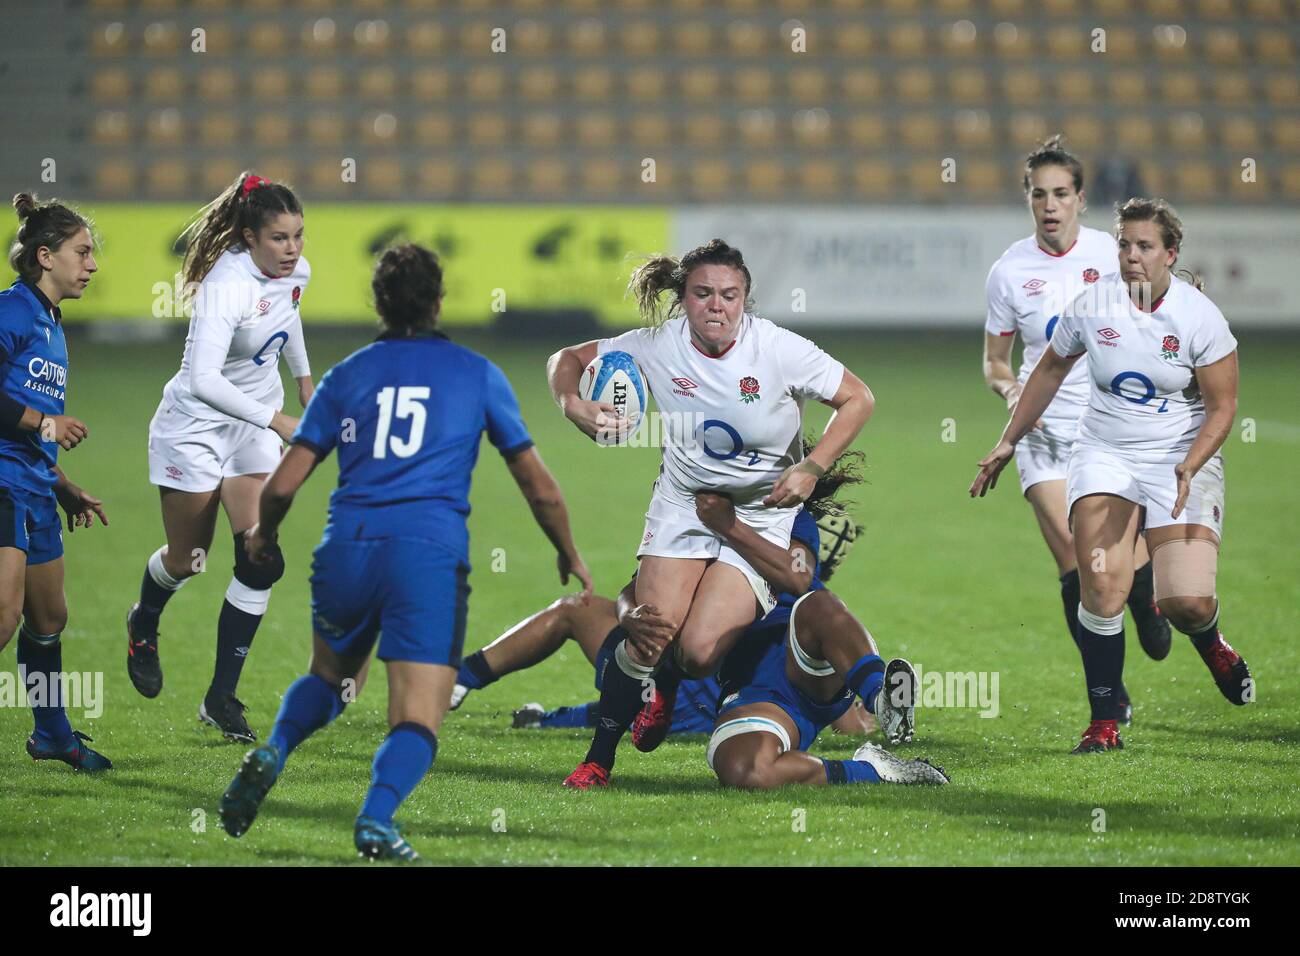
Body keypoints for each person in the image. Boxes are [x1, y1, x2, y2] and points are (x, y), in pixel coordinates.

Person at [219, 244, 591, 861]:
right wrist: (567, 552)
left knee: (329, 678)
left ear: (379, 305)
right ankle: (376, 818)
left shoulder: (347, 375)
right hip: (427, 556)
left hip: (348, 549)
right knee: (417, 716)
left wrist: (263, 535)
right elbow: (537, 484)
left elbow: (284, 482)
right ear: (440, 302)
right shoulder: (477, 374)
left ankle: (275, 749)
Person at [547, 239, 872, 787]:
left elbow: (859, 397)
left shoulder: (779, 349)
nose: (716, 306)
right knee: (648, 632)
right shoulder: (656, 345)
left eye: (729, 295)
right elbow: (568, 359)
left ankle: (669, 681)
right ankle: (598, 760)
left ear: (745, 299)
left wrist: (812, 467)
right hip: (685, 502)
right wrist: (573, 405)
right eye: (702, 294)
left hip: (759, 512)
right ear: (683, 300)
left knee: (696, 652)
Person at [972, 198, 1252, 754]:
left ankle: (1211, 640)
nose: (1130, 256)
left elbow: (1222, 408)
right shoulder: (1092, 306)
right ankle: (1104, 722)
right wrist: (1009, 440)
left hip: (1178, 456)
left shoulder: (1199, 317)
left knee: (1186, 603)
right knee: (1099, 581)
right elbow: (1049, 368)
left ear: (1171, 254)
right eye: (1124, 244)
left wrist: (1191, 464)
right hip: (1104, 452)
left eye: (1144, 247)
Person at [452, 449, 875, 743]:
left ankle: (470, 684)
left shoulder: (721, 513)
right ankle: (543, 715)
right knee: (636, 662)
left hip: (673, 679)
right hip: (682, 681)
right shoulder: (804, 595)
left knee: (579, 618)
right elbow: (830, 706)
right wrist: (866, 712)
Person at [983, 136, 1170, 725]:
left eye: (1061, 193)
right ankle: (1109, 695)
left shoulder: (1112, 256)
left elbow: (1153, 325)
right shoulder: (1009, 271)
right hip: (1040, 435)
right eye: (1039, 194)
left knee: (1116, 560)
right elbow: (994, 361)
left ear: (1081, 199)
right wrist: (1013, 391)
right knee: (1075, 562)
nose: (1050, 205)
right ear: (1028, 200)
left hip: (1108, 430)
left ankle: (1145, 599)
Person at [126, 171, 315, 743]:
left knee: (261, 559)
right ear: (250, 237)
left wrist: (305, 382)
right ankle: (145, 618)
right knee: (189, 559)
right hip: (196, 428)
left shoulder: (294, 272)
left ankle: (221, 697)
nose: (293, 249)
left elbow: (288, 317)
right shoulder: (224, 286)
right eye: (280, 238)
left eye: (299, 236)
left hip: (251, 428)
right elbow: (204, 380)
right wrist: (280, 419)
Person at [1, 192, 110, 770]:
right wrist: (45, 421)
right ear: (45, 256)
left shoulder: (51, 323)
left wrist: (62, 482)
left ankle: (52, 735)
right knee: (3, 614)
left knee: (48, 620)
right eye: (82, 252)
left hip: (35, 485)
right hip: (1, 484)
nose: (92, 265)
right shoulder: (12, 310)